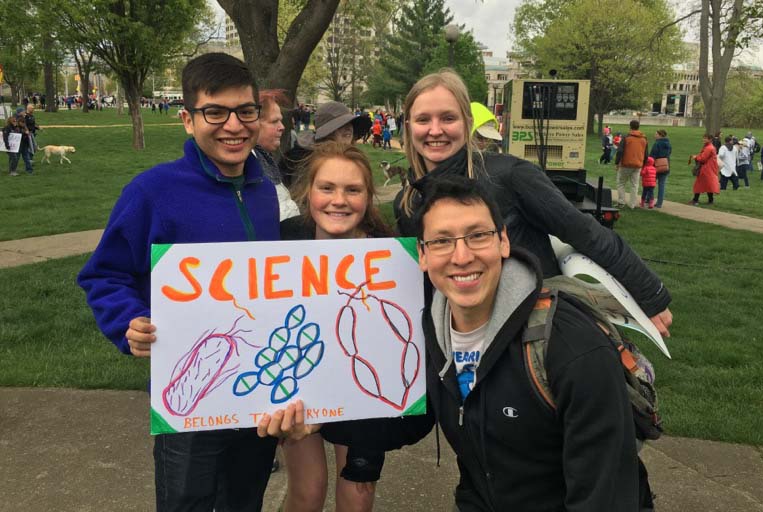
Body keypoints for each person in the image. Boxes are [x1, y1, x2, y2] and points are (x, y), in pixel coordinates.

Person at [262, 176, 644, 511]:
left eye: (478, 235)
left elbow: (606, 493)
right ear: (423, 256)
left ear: (503, 242)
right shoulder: (431, 332)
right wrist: (316, 423)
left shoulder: (571, 346)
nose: (462, 257)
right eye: (442, 241)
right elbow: (405, 427)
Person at [77, 52, 280, 511]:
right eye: (216, 112)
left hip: (256, 392)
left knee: (245, 499)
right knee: (185, 501)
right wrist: (127, 320)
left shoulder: (265, 190)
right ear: (188, 119)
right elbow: (104, 273)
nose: (234, 125)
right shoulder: (153, 191)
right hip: (188, 398)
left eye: (246, 111)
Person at [393, 69, 672, 337]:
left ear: (466, 123)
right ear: (408, 126)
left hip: (532, 332)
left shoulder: (510, 175)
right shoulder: (407, 203)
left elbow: (585, 232)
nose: (435, 130)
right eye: (423, 120)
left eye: (448, 118)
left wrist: (649, 295)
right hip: (458, 339)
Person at [280, 141, 395, 512]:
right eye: (326, 188)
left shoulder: (390, 255)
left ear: (368, 196)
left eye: (353, 190)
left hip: (360, 382)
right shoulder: (283, 239)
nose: (338, 200)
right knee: (308, 491)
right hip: (301, 380)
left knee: (357, 494)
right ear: (307, 192)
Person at [280, 101, 370, 186]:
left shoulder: (352, 159)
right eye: (341, 124)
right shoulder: (306, 163)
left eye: (350, 123)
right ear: (327, 133)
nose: (348, 128)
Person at [253, 88, 300, 220]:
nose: (282, 127)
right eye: (274, 121)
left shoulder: (263, 158)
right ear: (253, 124)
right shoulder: (249, 166)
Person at [614, 120, 648, 209]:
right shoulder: (644, 138)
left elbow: (620, 151)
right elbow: (646, 153)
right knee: (634, 185)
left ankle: (621, 202)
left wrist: (617, 162)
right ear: (638, 127)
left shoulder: (626, 137)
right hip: (638, 164)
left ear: (630, 126)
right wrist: (643, 164)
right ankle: (632, 204)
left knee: (621, 183)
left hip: (626, 163)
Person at [689, 133, 720, 206]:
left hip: (706, 168)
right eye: (703, 138)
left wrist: (696, 157)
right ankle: (709, 200)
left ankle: (696, 200)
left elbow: (703, 159)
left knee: (700, 183)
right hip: (709, 168)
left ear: (710, 139)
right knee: (707, 184)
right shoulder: (709, 147)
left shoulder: (709, 148)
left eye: (705, 138)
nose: (704, 139)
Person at [649, 129, 671, 208]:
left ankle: (649, 199)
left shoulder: (657, 144)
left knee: (651, 183)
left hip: (656, 166)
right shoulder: (668, 144)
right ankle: (659, 203)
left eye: (656, 134)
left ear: (660, 135)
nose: (655, 135)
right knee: (662, 185)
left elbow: (652, 155)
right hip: (665, 166)